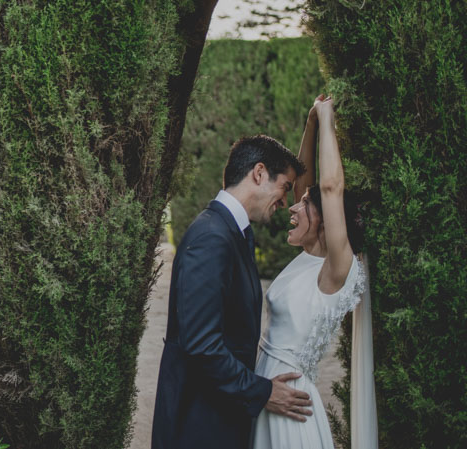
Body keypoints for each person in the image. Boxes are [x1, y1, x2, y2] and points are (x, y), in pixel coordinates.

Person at [151, 135, 313, 449]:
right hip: (196, 426)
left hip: (218, 418)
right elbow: (202, 345)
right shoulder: (211, 237)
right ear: (259, 173)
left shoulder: (234, 232)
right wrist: (263, 392)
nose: (284, 202)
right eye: (284, 186)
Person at [251, 95, 378, 449]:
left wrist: (328, 120)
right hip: (266, 393)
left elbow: (329, 188)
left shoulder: (336, 269)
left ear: (325, 221)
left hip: (289, 405)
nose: (292, 205)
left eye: (304, 205)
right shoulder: (308, 256)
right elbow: (304, 182)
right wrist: (311, 122)